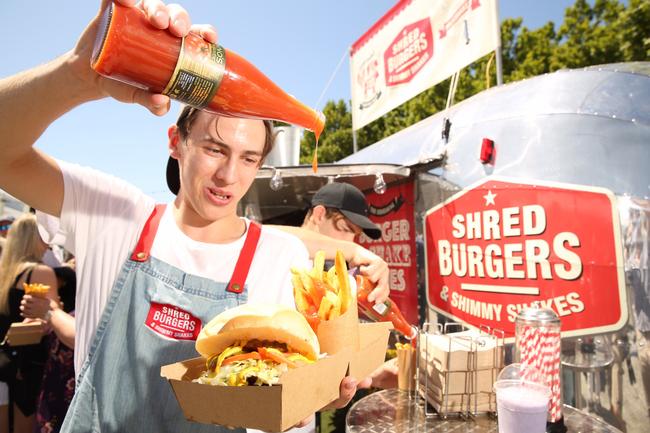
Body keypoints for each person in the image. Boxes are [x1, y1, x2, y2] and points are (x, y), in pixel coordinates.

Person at [0, 1, 389, 432]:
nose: (228, 175)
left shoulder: (281, 259)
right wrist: (78, 75)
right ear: (176, 141)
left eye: (247, 158)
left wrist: (313, 397)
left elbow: (286, 408)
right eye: (214, 149)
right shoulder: (116, 215)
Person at [0, 214, 59, 433]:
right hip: (30, 366)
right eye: (44, 234)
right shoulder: (40, 272)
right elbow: (53, 320)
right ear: (33, 237)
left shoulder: (6, 272)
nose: (49, 240)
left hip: (6, 363)